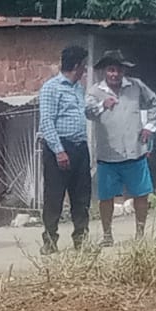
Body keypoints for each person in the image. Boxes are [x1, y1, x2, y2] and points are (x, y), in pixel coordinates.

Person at [85, 49, 156, 247]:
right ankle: (107, 235)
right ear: (104, 71)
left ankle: (140, 234)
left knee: (141, 194)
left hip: (135, 151)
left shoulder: (136, 86)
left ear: (124, 71)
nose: (115, 74)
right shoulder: (95, 91)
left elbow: (154, 103)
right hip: (108, 154)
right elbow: (88, 113)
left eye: (118, 70)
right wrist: (103, 105)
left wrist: (149, 127)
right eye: (111, 70)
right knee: (106, 197)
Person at [37, 45, 92, 253]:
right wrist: (59, 151)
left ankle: (81, 239)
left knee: (81, 196)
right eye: (83, 66)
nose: (84, 70)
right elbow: (47, 122)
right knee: (54, 196)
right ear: (76, 66)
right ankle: (50, 240)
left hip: (79, 147)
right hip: (59, 147)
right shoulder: (51, 88)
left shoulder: (78, 88)